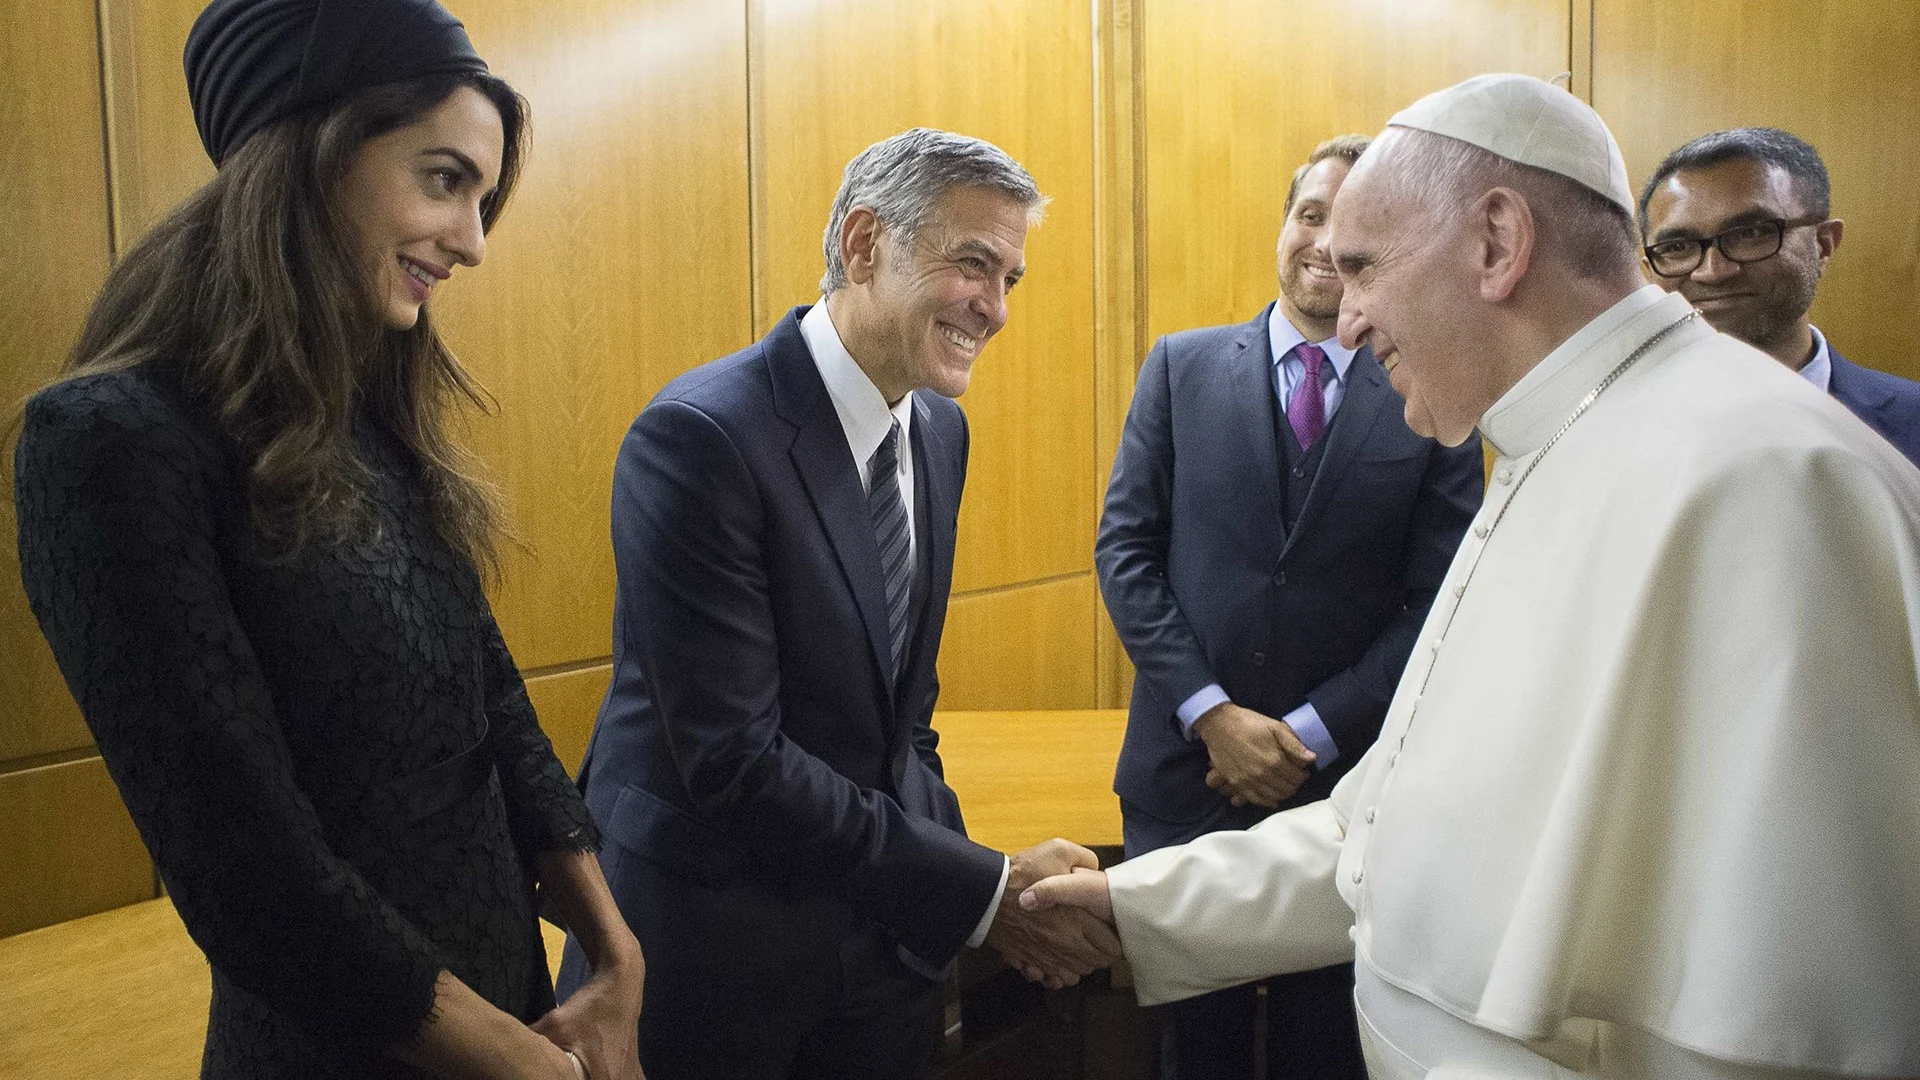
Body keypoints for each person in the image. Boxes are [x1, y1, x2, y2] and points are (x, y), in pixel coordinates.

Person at [1023, 74, 1920, 1079]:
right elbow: (1396, 831)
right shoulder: (1549, 438)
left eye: (1363, 267)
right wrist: (1133, 905)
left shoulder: (1773, 482)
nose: (1347, 319)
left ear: (1497, 243)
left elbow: (1794, 1014)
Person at [10, 2, 644, 1078]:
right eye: (445, 180)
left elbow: (485, 696)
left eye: (483, 197)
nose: (474, 242)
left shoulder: (365, 402)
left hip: (515, 1016)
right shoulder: (108, 441)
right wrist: (509, 1058)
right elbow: (241, 867)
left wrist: (613, 954)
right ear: (310, 157)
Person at [557, 128, 1119, 1080]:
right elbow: (736, 761)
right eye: (973, 265)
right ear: (864, 244)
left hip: (877, 949)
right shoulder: (700, 439)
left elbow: (903, 724)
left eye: (1011, 279)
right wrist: (981, 891)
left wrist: (967, 896)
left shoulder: (941, 430)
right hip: (715, 955)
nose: (995, 309)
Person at [1096, 133, 1480, 1080]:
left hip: (1346, 787)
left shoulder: (1432, 389)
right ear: (1284, 224)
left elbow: (1441, 599)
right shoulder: (1179, 368)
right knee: (1197, 1050)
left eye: (1354, 227)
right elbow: (1127, 553)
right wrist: (1213, 715)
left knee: (1328, 1049)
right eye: (1311, 214)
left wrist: (1305, 733)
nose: (1324, 242)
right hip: (1183, 777)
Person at [1639, 126, 1920, 465]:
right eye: (1677, 247)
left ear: (1823, 244)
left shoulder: (1911, 420)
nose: (1713, 271)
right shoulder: (1606, 425)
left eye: (1751, 233)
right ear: (1648, 268)